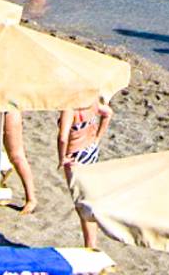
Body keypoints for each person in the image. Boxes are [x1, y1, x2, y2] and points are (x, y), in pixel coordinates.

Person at [59, 99, 112, 244]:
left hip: (75, 155)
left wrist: (61, 158)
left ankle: (90, 244)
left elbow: (63, 137)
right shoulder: (91, 101)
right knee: (88, 199)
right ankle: (91, 242)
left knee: (82, 203)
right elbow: (108, 113)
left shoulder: (70, 108)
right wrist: (97, 138)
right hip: (91, 150)